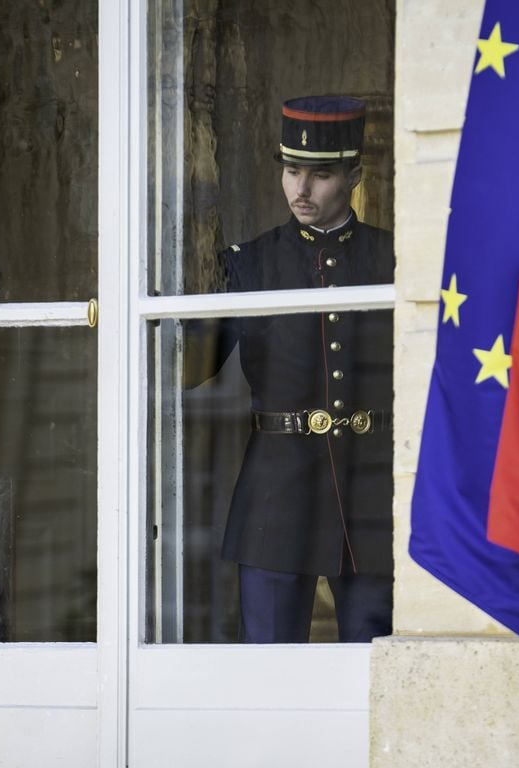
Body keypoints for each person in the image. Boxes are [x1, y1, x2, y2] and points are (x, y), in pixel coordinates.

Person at [190, 96, 395, 643]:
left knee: (373, 665)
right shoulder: (249, 262)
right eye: (291, 171)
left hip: (371, 488)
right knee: (271, 671)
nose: (300, 190)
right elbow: (190, 371)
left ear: (354, 174)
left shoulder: (392, 258)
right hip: (276, 494)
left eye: (321, 174)